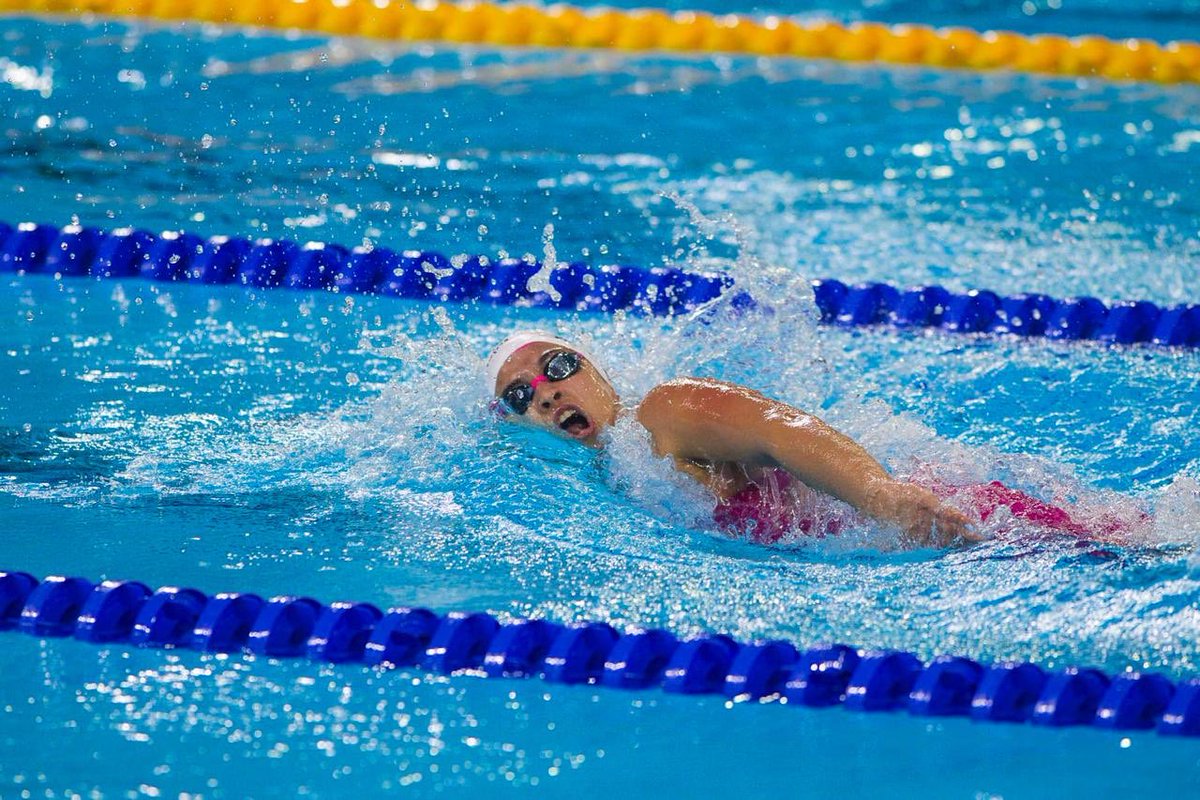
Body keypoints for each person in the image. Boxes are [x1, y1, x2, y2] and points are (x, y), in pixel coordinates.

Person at [485, 331, 1128, 547]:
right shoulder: (617, 469)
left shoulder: (662, 411)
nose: (544, 390)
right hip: (907, 542)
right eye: (521, 395)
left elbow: (781, 430)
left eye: (559, 367)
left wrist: (883, 496)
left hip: (940, 518)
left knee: (1134, 553)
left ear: (597, 369)